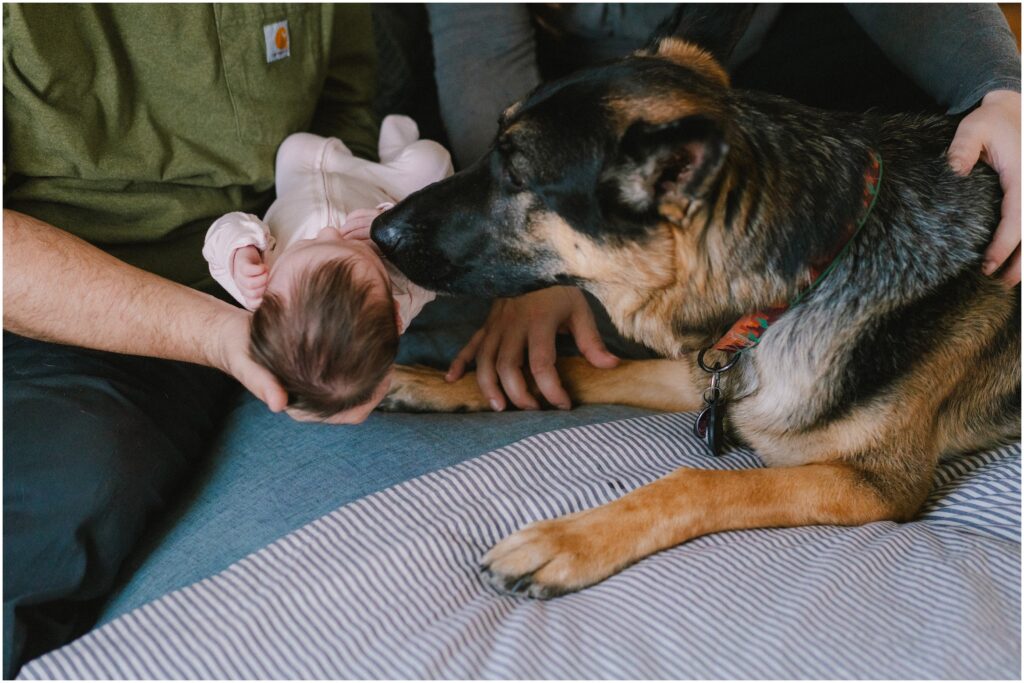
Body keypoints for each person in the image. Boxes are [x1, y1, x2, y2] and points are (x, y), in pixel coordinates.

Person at [406, 4, 1022, 414]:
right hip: (595, 115)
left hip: (803, 68)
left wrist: (1002, 90)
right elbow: (480, 50)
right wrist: (535, 266)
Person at [3, 4, 378, 675]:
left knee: (80, 487)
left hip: (233, 275)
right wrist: (219, 336)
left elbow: (343, 115)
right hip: (42, 286)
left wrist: (330, 243)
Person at [203, 116, 451, 423]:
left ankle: (359, 155)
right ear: (396, 316)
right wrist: (391, 223)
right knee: (432, 158)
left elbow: (219, 235)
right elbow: (436, 248)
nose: (331, 232)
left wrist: (238, 251)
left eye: (309, 244)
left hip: (305, 179)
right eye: (358, 252)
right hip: (385, 187)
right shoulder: (407, 288)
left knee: (293, 147)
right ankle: (395, 151)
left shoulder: (259, 286)